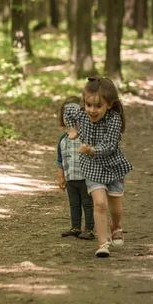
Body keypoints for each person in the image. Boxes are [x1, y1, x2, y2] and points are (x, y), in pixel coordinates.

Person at [63, 77, 132, 257]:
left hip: (113, 167)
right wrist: (72, 130)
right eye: (88, 105)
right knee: (100, 203)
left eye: (98, 106)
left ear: (109, 105)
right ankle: (103, 244)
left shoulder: (114, 119)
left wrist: (92, 149)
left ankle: (116, 226)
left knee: (116, 210)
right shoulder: (81, 113)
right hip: (92, 167)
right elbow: (68, 110)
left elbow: (110, 145)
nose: (92, 110)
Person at [56, 96, 95, 240]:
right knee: (74, 204)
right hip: (71, 179)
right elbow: (60, 160)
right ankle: (75, 227)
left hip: (86, 179)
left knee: (87, 204)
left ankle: (89, 229)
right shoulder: (63, 140)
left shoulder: (86, 137)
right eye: (67, 117)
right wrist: (61, 177)